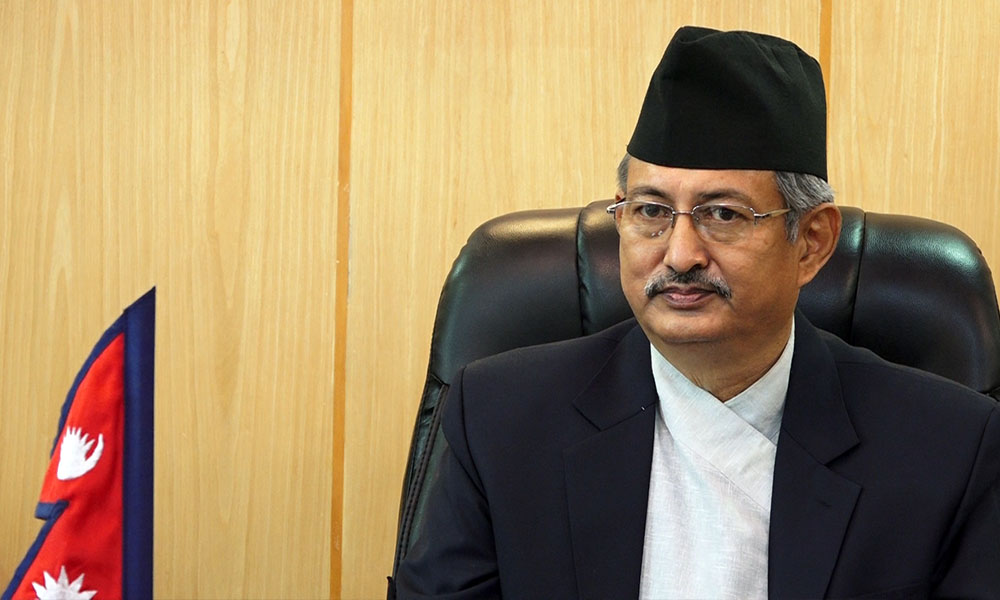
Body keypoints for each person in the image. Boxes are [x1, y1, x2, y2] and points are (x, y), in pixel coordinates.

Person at [392, 26, 1000, 599]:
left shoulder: (951, 449)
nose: (681, 255)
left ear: (811, 242)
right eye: (651, 211)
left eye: (724, 214)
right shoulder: (499, 421)